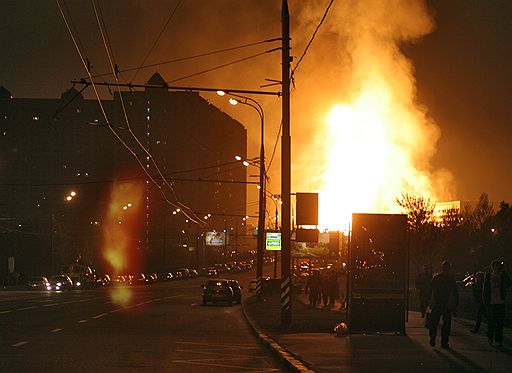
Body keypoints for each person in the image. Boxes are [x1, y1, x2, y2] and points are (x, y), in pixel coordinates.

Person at [428, 261, 459, 349]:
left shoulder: (436, 278)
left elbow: (431, 291)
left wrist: (430, 301)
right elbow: (455, 293)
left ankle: (433, 337)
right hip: (447, 304)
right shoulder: (451, 279)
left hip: (437, 303)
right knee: (446, 324)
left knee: (434, 322)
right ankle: (444, 342)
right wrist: (455, 305)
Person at [482, 260, 511, 347]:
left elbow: (509, 283)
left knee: (500, 323)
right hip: (491, 303)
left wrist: (505, 273)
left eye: (499, 266)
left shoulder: (503, 276)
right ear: (493, 267)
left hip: (500, 302)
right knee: (491, 322)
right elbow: (485, 289)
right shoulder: (488, 276)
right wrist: (485, 302)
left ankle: (498, 339)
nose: (498, 268)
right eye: (496, 266)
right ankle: (490, 336)